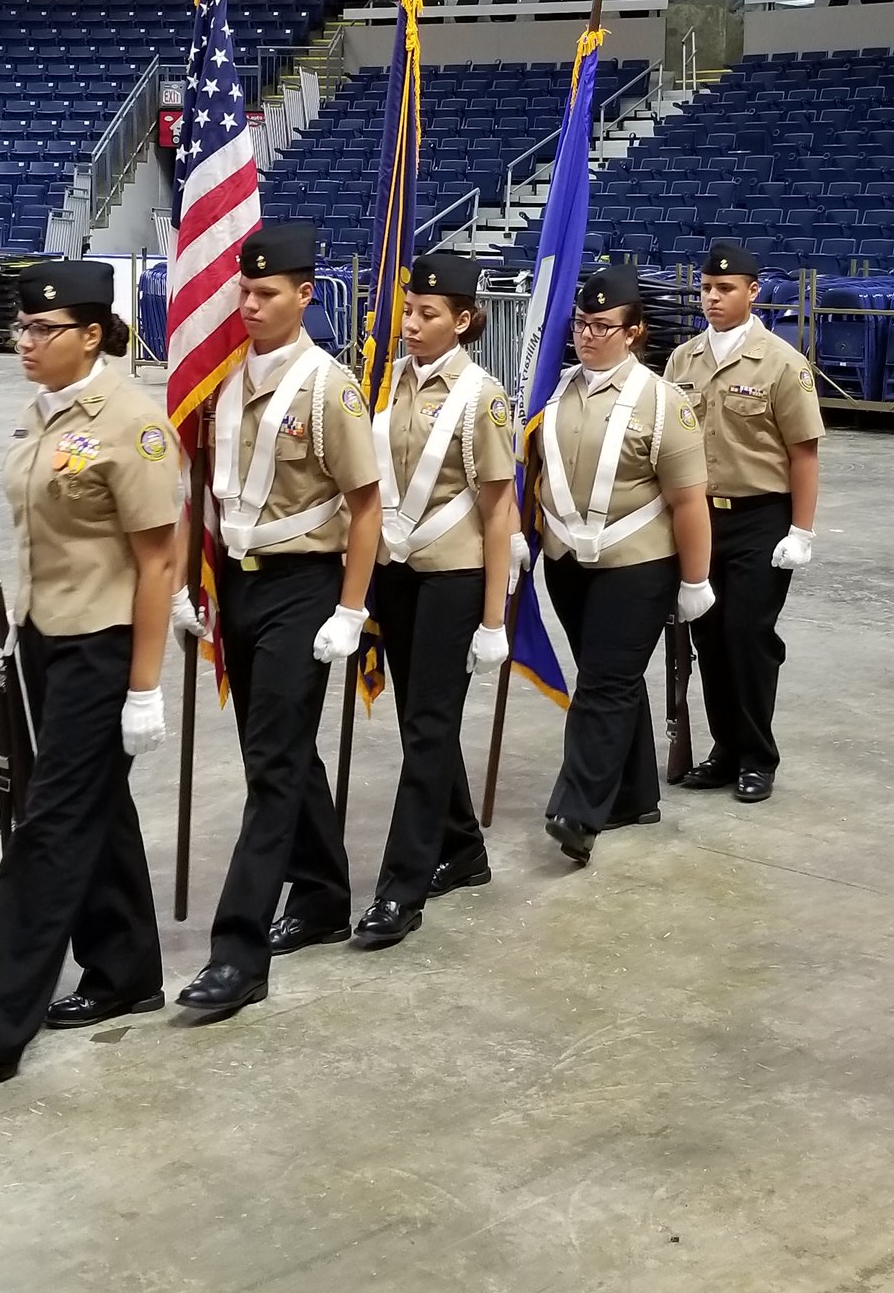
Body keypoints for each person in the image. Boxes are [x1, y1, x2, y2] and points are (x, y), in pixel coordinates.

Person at [0, 261, 180, 1084]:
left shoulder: (132, 425)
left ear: (91, 335)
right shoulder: (43, 415)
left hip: (103, 646)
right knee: (95, 808)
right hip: (44, 637)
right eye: (20, 328)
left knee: (49, 826)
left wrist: (145, 687)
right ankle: (126, 970)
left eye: (41, 329)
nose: (23, 342)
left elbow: (159, 562)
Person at [173, 221, 381, 1020]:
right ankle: (324, 894)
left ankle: (238, 951)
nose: (251, 305)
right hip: (239, 583)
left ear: (305, 294)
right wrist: (193, 581)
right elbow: (206, 488)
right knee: (282, 751)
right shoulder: (222, 380)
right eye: (245, 291)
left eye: (267, 293)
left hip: (305, 586)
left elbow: (366, 506)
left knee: (270, 765)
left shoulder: (330, 387)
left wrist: (351, 609)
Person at [352, 252, 516, 950]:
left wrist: (493, 620)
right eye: (409, 310)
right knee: (421, 722)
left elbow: (500, 510)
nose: (412, 324)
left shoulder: (482, 396)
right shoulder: (389, 380)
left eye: (429, 313)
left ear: (464, 319)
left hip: (453, 575)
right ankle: (464, 848)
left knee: (427, 726)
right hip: (397, 571)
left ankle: (402, 886)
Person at [536, 265, 714, 865]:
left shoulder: (663, 402)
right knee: (610, 676)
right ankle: (635, 795)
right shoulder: (553, 389)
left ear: (634, 332)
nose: (588, 335)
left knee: (602, 685)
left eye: (602, 326)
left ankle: (579, 808)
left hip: (637, 563)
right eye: (581, 324)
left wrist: (695, 579)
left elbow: (689, 500)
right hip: (566, 560)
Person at [664, 241, 826, 804]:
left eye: (725, 288)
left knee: (748, 637)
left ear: (753, 292)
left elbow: (803, 453)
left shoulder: (782, 362)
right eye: (706, 287)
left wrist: (801, 531)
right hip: (700, 518)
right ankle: (726, 749)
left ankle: (758, 756)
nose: (712, 297)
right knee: (708, 635)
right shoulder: (682, 361)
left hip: (760, 519)